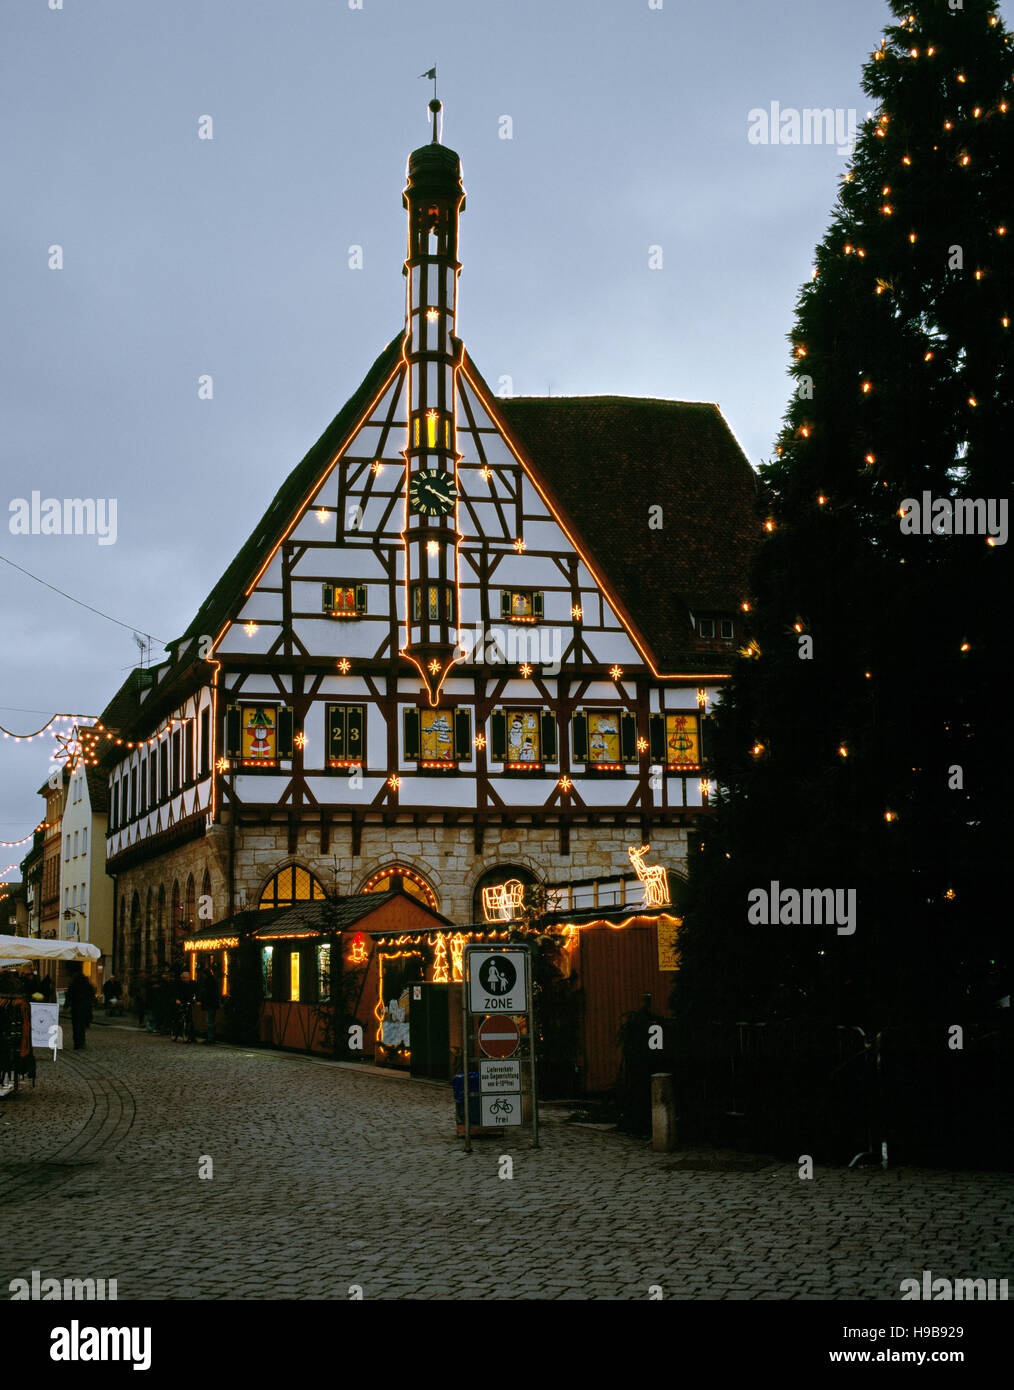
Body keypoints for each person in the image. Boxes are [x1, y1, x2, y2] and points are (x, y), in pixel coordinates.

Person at [64, 963, 95, 1051]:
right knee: (81, 1026)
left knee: (77, 1026)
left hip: (77, 1008)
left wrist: (67, 1004)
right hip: (84, 1007)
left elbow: (70, 994)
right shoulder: (86, 981)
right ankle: (81, 1042)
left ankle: (77, 1043)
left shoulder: (74, 982)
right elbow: (91, 993)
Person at [196, 965, 221, 1044]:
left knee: (209, 1021)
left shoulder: (207, 982)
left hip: (209, 1004)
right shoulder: (213, 980)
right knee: (211, 1021)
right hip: (213, 1004)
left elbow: (205, 993)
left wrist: (201, 1000)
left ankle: (210, 1038)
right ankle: (211, 1037)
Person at [174, 969, 197, 1043]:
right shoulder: (178, 984)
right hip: (181, 1001)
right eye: (183, 978)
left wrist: (197, 1000)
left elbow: (196, 992)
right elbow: (175, 992)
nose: (185, 979)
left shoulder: (193, 983)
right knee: (179, 1017)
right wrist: (177, 999)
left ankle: (192, 1036)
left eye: (186, 978)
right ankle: (176, 1033)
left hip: (189, 1001)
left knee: (190, 1019)